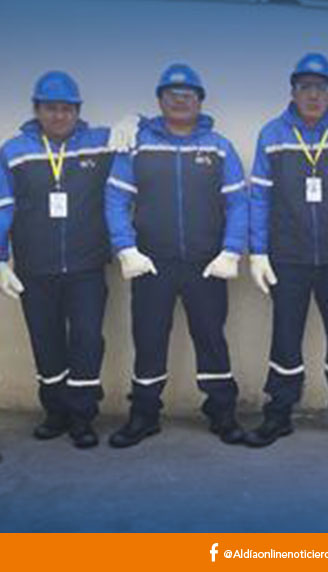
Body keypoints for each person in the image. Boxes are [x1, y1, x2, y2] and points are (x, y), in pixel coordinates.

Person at [104, 63, 249, 447]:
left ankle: (222, 412)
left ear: (200, 101)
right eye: (172, 94)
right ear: (159, 100)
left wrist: (231, 250)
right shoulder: (138, 145)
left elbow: (239, 203)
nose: (181, 101)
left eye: (188, 95)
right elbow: (115, 199)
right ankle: (144, 415)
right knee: (149, 339)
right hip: (151, 263)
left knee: (211, 338)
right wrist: (125, 248)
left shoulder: (218, 147)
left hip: (207, 264)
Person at [245, 53, 328, 447]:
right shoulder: (272, 134)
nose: (313, 95)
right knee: (285, 339)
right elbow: (259, 199)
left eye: (321, 87)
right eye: (305, 87)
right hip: (288, 258)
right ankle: (278, 415)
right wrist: (258, 252)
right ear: (293, 91)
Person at [0, 71, 114, 448]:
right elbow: (2, 207)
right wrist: (0, 258)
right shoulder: (14, 151)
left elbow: (151, 138)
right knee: (45, 341)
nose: (60, 115)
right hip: (35, 269)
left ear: (78, 111)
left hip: (86, 268)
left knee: (87, 341)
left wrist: (137, 121)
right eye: (51, 108)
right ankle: (55, 412)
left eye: (67, 108)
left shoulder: (100, 144)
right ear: (37, 110)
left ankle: (82, 416)